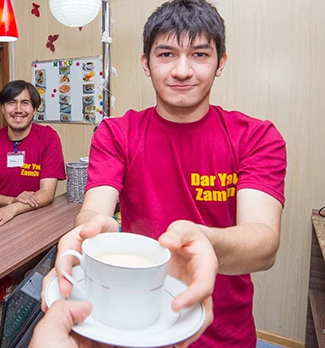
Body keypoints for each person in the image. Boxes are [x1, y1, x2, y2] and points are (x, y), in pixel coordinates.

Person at [46, 0, 287, 347]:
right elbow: (94, 211)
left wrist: (200, 240)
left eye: (200, 54)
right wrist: (90, 231)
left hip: (223, 332)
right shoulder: (117, 133)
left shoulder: (256, 136)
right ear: (146, 63)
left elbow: (264, 243)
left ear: (221, 62)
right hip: (133, 324)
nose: (182, 70)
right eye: (167, 54)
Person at [0, 80, 66, 235]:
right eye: (12, 102)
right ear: (3, 109)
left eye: (25, 103)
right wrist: (10, 201)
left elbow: (47, 192)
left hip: (35, 211)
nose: (18, 110)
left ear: (34, 109)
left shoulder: (48, 138)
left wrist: (14, 209)